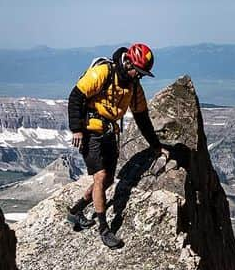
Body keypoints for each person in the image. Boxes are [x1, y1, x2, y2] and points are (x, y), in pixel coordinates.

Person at [66, 43, 169, 249]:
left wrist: (156, 146)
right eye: (137, 71)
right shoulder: (103, 73)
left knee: (108, 180)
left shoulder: (133, 86)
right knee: (101, 177)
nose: (138, 76)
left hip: (109, 132)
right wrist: (76, 129)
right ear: (128, 62)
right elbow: (76, 97)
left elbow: (142, 118)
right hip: (89, 131)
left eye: (141, 73)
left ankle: (76, 211)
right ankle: (104, 229)